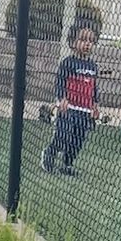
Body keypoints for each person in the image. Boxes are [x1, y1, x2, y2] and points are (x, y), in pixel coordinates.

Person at [43, 17, 100, 175]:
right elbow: (60, 82)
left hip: (84, 111)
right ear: (73, 42)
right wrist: (62, 99)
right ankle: (50, 154)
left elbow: (94, 87)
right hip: (68, 109)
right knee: (63, 136)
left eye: (91, 41)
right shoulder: (68, 63)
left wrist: (95, 105)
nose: (87, 44)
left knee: (77, 140)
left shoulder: (93, 67)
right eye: (83, 39)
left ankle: (67, 165)